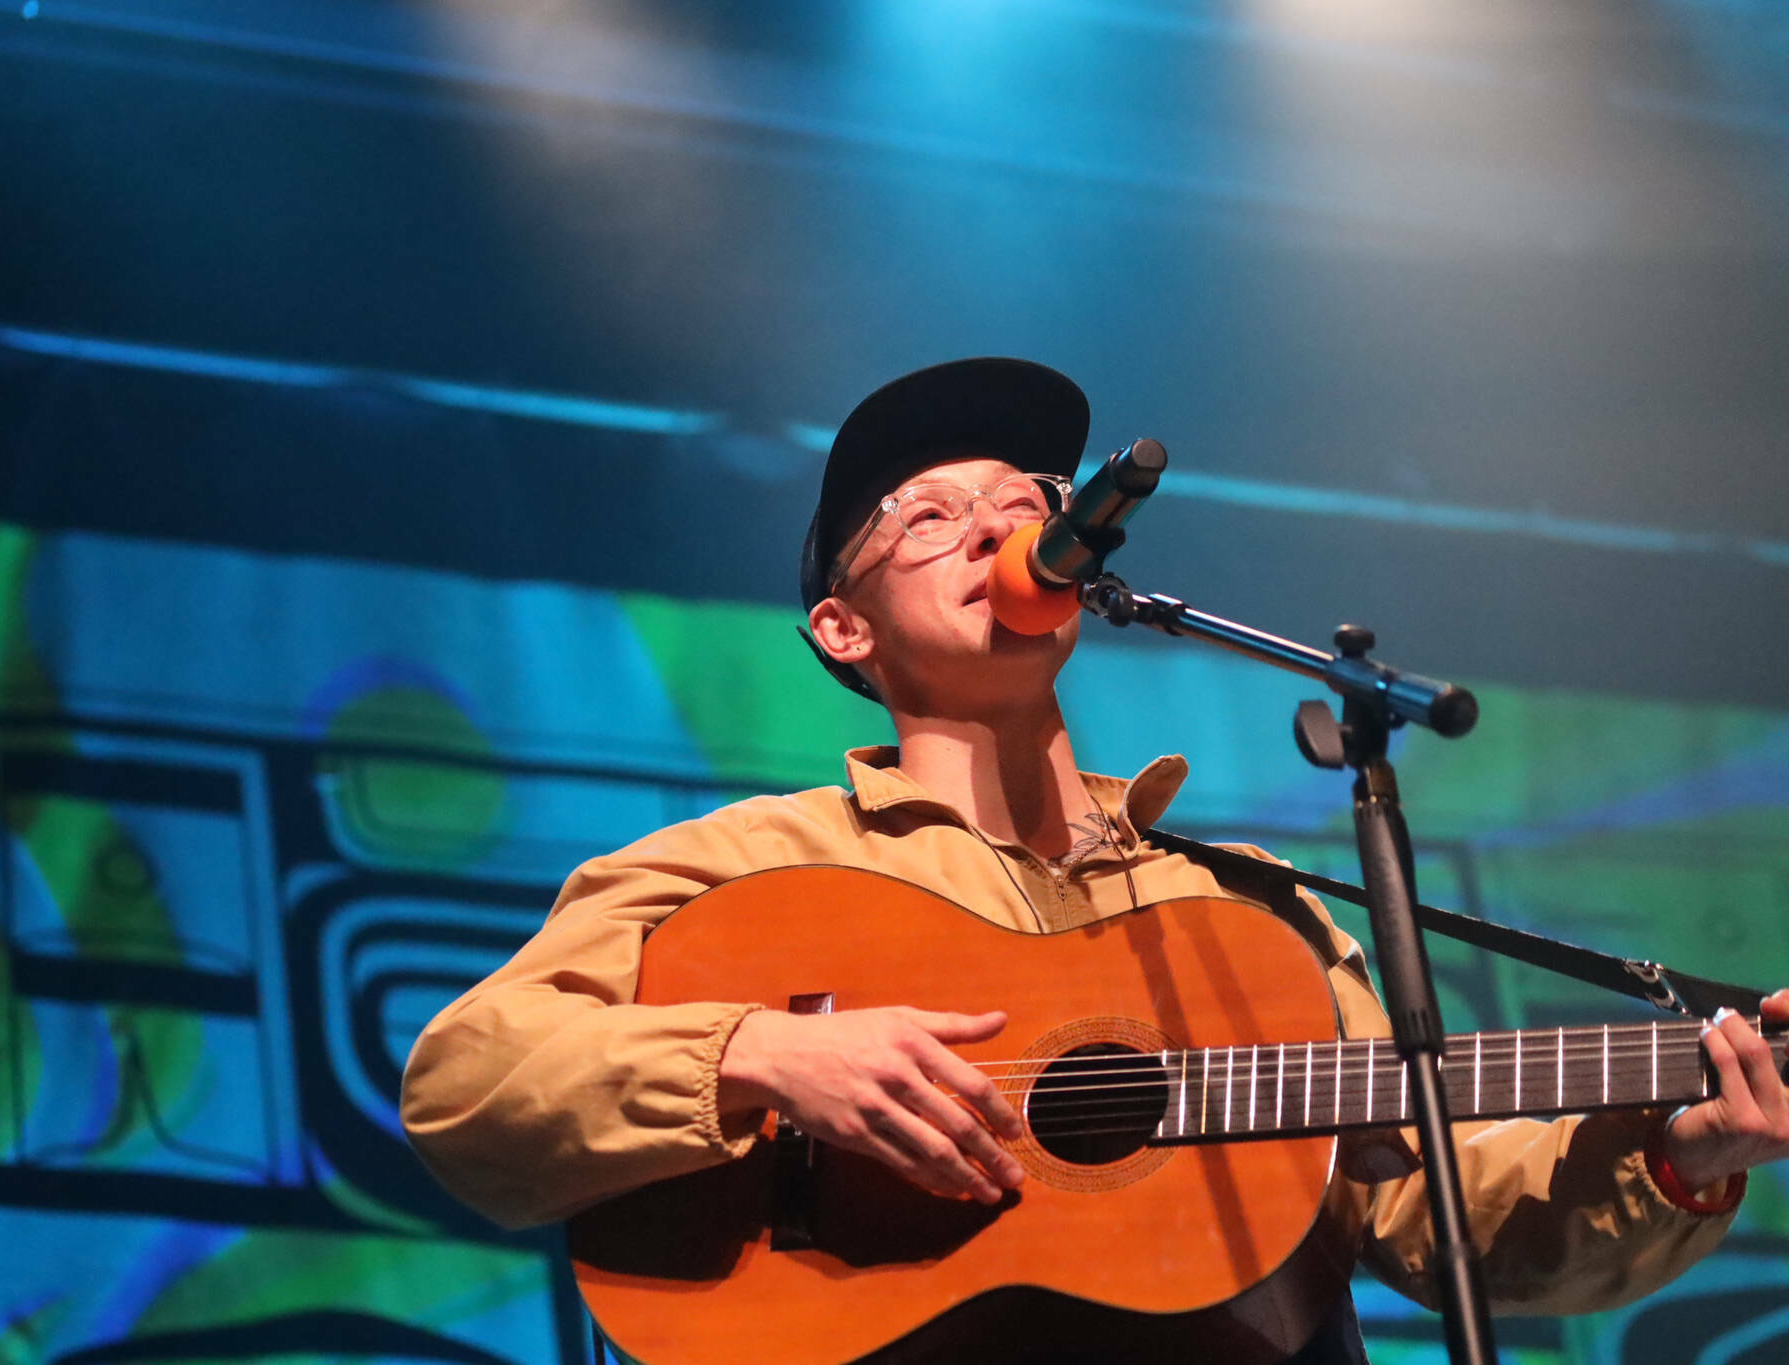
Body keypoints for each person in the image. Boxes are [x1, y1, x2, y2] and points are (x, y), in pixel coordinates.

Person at [403, 358, 1789, 1362]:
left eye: (1030, 500)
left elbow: (1439, 1215)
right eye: (932, 515)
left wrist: (1677, 1152)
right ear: (841, 628)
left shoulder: (1245, 907)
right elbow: (469, 1085)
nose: (1003, 526)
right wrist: (760, 1057)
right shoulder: (747, 866)